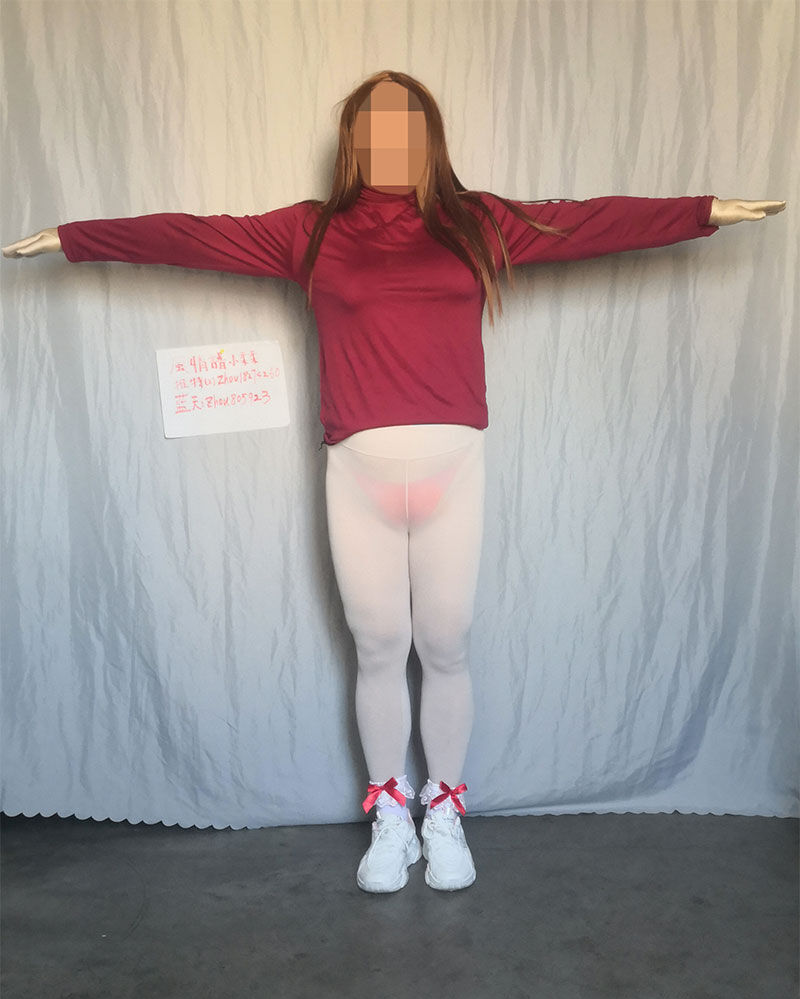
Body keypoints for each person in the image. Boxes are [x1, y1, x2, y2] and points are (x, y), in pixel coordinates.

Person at [3, 69, 786, 895]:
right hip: (357, 473)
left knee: (445, 644)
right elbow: (192, 237)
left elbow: (586, 222)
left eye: (406, 124)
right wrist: (74, 236)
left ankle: (444, 810)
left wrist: (703, 211)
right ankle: (390, 814)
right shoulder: (310, 233)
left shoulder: (477, 222)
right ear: (351, 141)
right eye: (372, 125)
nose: (389, 139)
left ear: (429, 137)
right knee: (378, 648)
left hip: (454, 467)